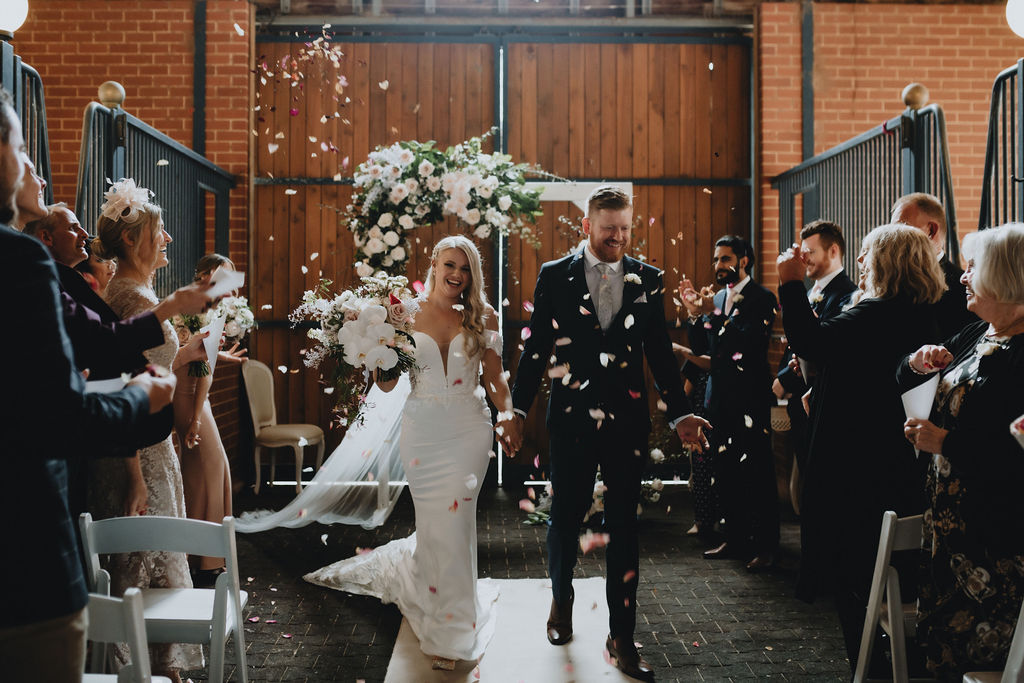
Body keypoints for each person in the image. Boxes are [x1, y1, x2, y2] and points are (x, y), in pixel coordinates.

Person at [0, 88, 176, 683]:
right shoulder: (20, 264)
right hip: (22, 553)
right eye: (22, 150)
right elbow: (60, 414)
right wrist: (141, 399)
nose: (35, 170)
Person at [507, 185, 710, 682]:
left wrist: (681, 413)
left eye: (625, 229)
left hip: (628, 424)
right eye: (608, 230)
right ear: (586, 228)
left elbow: (659, 352)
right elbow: (536, 352)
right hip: (571, 421)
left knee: (623, 526)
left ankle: (621, 637)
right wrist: (514, 408)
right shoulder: (555, 277)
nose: (618, 238)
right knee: (565, 519)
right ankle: (561, 601)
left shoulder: (648, 279)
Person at [305, 235, 515, 669]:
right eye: (450, 265)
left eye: (465, 269)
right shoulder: (402, 313)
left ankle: (451, 632)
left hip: (469, 428)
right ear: (434, 264)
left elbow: (494, 378)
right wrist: (374, 350)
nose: (456, 275)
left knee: (456, 522)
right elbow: (386, 384)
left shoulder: (482, 315)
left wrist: (508, 413)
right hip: (422, 430)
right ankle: (428, 586)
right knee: (437, 524)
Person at [776, 223, 945, 672]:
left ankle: (866, 665)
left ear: (887, 263)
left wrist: (790, 284)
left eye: (867, 254)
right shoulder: (924, 311)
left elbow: (811, 341)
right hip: (897, 451)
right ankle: (889, 660)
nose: (860, 262)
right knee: (886, 563)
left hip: (856, 454)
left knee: (855, 567)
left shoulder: (876, 312)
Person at [88, 180, 204, 681]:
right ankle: (139, 667)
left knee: (154, 557)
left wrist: (184, 355)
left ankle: (160, 666)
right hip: (135, 455)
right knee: (139, 559)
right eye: (160, 231)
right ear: (134, 240)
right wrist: (134, 473)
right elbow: (121, 387)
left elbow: (149, 369)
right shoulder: (132, 300)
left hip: (154, 449)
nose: (169, 240)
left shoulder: (134, 293)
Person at [898, 223, 1024, 680]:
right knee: (942, 645)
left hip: (992, 532)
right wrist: (917, 361)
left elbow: (1016, 449)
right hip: (948, 519)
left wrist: (946, 442)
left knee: (981, 652)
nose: (962, 278)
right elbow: (905, 377)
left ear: (1005, 278)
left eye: (973, 269)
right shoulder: (977, 333)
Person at [681, 235, 779, 571]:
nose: (719, 266)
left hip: (750, 398)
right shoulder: (719, 297)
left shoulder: (762, 298)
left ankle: (766, 546)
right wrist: (695, 315)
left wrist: (713, 314)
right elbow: (703, 347)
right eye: (717, 259)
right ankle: (734, 538)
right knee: (724, 472)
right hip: (718, 397)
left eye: (726, 259)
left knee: (758, 472)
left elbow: (746, 343)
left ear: (744, 261)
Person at [173, 253, 241, 587]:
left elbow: (203, 359)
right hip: (191, 396)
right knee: (211, 467)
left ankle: (198, 556)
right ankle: (205, 560)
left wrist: (220, 353)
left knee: (204, 470)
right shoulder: (195, 307)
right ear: (205, 275)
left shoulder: (203, 307)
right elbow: (202, 370)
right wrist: (197, 417)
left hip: (196, 394)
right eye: (223, 276)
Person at [773, 221, 857, 483]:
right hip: (800, 403)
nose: (803, 258)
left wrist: (784, 379)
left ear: (833, 251)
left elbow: (817, 343)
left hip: (821, 402)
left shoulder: (847, 295)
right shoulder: (809, 292)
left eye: (810, 251)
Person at [891, 193, 978, 338]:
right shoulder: (891, 280)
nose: (893, 237)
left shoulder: (963, 290)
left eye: (901, 228)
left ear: (931, 230)